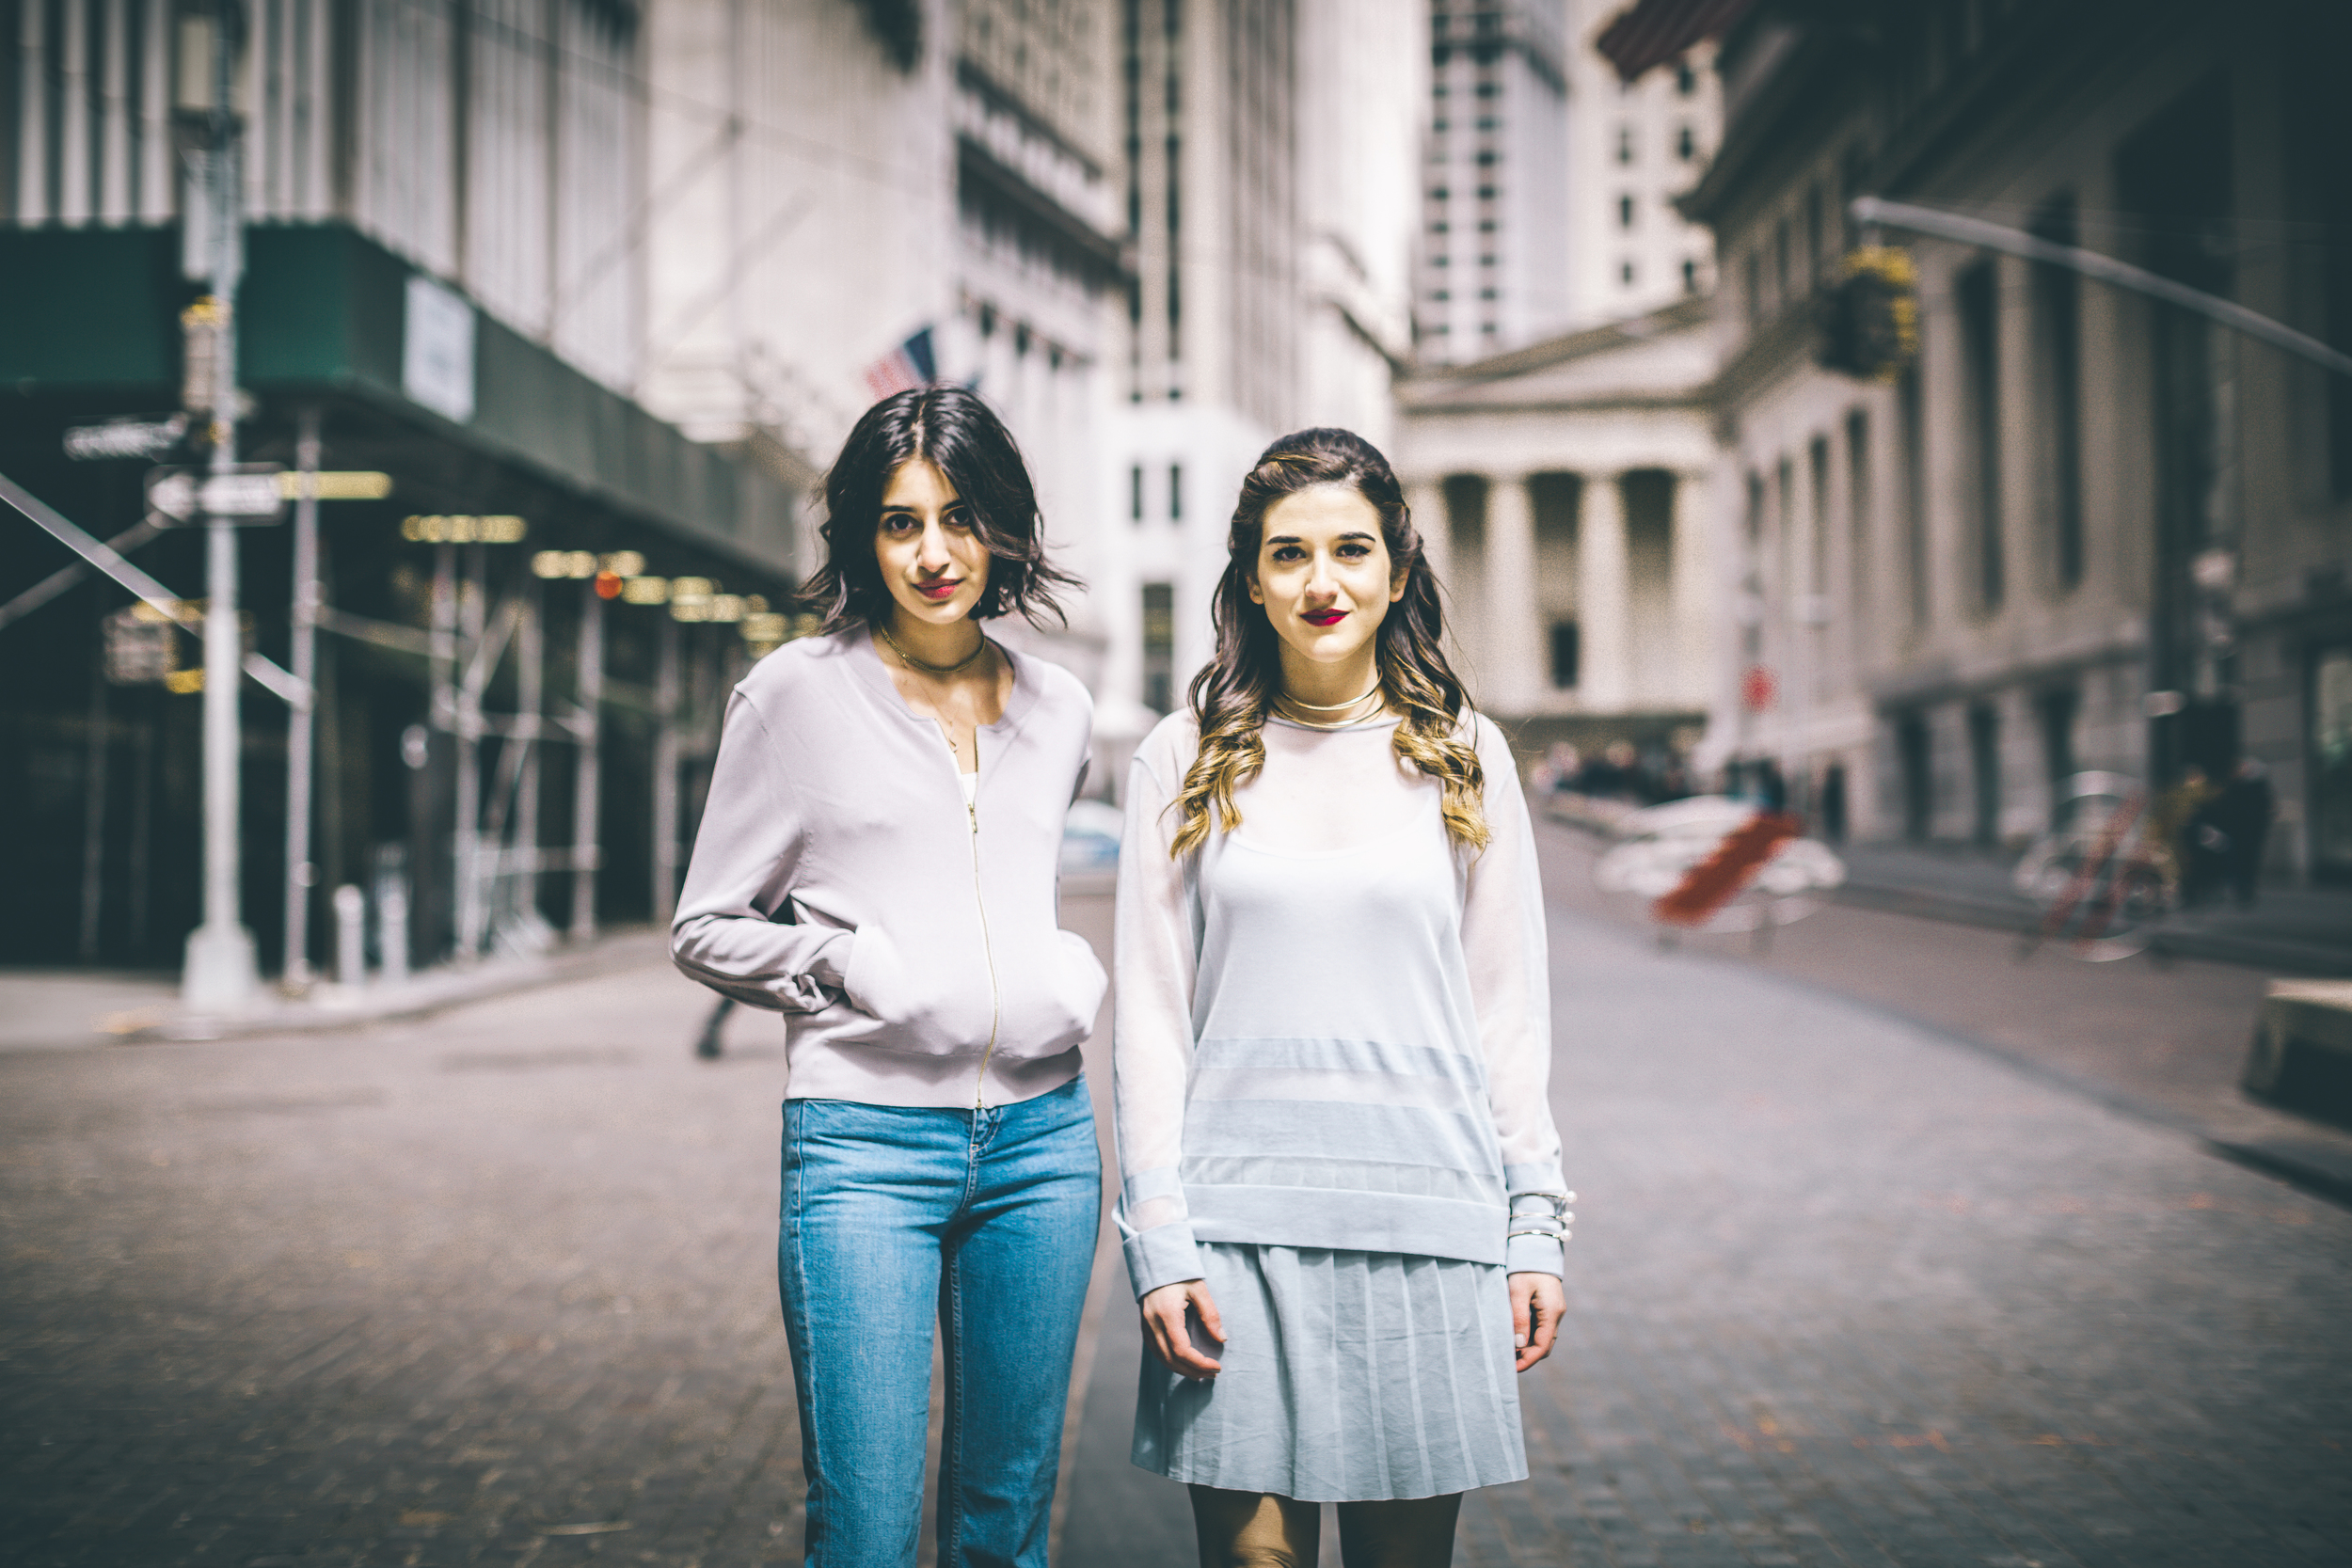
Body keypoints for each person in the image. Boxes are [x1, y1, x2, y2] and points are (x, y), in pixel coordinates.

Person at [1113, 428, 1570, 1568]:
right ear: (1249, 578)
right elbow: (1153, 1021)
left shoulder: (1466, 753)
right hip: (1234, 1238)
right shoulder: (1181, 756)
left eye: (1351, 550)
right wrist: (1158, 1238)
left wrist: (1535, 1226)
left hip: (1426, 1227)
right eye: (1289, 554)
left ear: (1397, 570)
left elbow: (1507, 1010)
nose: (1322, 582)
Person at [671, 386, 1106, 1568]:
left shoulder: (1061, 707)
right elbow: (704, 924)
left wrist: (1062, 967)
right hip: (863, 1146)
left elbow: (1016, 886)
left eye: (960, 519)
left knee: (1005, 1523)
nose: (932, 552)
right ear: (862, 536)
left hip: (1043, 1146)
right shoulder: (795, 695)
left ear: (1003, 530)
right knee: (862, 1528)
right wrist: (848, 962)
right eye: (900, 521)